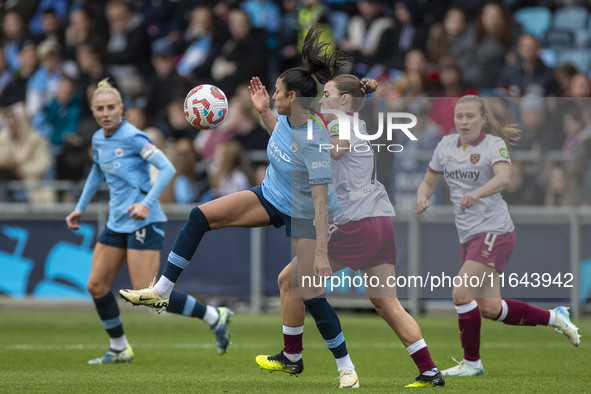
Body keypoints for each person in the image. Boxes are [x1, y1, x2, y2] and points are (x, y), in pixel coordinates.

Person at [118, 26, 344, 384]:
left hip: (307, 214)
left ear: (296, 98)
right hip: (271, 196)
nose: (273, 95)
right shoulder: (287, 117)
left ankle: (340, 366)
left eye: (278, 93)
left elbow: (319, 197)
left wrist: (321, 251)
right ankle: (162, 291)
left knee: (307, 292)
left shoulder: (316, 136)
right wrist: (264, 112)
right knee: (200, 216)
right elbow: (283, 140)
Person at [255, 74, 444, 388]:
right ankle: (429, 370)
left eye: (327, 94)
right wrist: (267, 114)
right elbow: (293, 150)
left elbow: (337, 149)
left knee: (291, 280)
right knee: (387, 303)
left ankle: (293, 356)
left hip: (356, 224)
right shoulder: (344, 124)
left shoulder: (343, 124)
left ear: (344, 100)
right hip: (379, 221)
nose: (321, 99)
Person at [66, 79, 232, 364]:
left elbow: (166, 168)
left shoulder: (133, 137)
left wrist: (146, 203)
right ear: (93, 112)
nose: (106, 113)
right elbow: (97, 172)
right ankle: (119, 348)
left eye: (111, 108)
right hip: (117, 223)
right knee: (96, 285)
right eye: (100, 109)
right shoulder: (98, 139)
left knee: (150, 294)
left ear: (122, 109)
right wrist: (79, 207)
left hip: (144, 221)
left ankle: (213, 315)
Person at [414, 94, 581, 377]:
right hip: (469, 234)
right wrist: (421, 197)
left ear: (483, 119)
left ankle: (472, 363)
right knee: (490, 308)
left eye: (470, 116)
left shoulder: (494, 145)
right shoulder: (445, 146)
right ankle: (556, 317)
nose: (464, 121)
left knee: (460, 292)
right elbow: (429, 181)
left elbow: (503, 178)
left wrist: (476, 193)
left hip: (494, 230)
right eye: (459, 116)